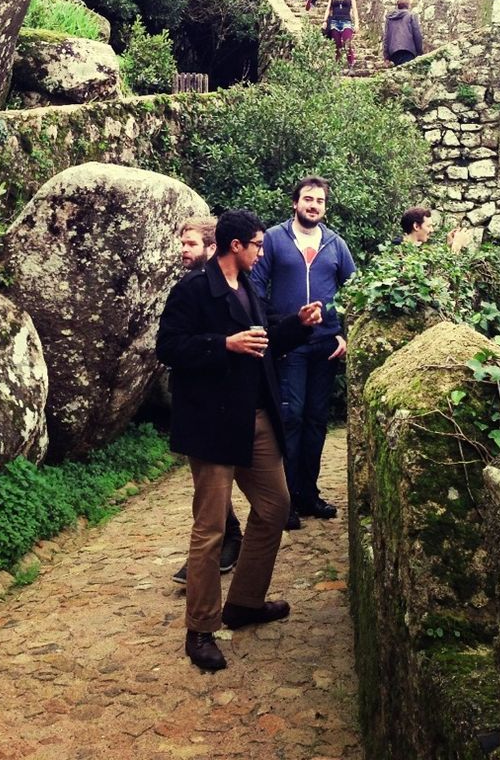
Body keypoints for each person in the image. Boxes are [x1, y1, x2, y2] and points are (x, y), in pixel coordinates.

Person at [157, 209, 322, 672]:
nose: (262, 251)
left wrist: (298, 323)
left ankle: (245, 602)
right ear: (235, 246)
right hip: (212, 425)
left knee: (273, 507)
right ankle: (201, 628)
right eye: (257, 244)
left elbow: (264, 335)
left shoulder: (249, 286)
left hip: (256, 419)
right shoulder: (193, 289)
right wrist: (223, 344)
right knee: (210, 530)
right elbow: (168, 347)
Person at [251, 177, 356, 530]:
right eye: (308, 199)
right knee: (291, 417)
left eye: (320, 201)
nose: (313, 205)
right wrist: (282, 328)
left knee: (315, 420)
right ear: (295, 203)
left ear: (325, 207)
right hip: (291, 345)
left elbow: (355, 293)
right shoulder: (275, 239)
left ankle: (308, 495)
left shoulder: (336, 244)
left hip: (326, 345)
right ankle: (285, 500)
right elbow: (254, 290)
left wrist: (344, 335)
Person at [171, 218, 243, 585]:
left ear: (214, 248)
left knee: (212, 488)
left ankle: (226, 542)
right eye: (183, 243)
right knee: (206, 485)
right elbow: (171, 344)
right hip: (196, 403)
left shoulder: (233, 287)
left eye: (191, 244)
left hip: (224, 404)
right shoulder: (190, 287)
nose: (184, 250)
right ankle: (221, 544)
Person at [321, 0, 359, 68]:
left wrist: (357, 24)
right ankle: (337, 65)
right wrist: (325, 21)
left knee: (347, 43)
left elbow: (354, 10)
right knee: (337, 45)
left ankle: (351, 65)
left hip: (346, 22)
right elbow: (328, 8)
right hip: (334, 22)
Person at [394, 206, 473, 252]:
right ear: (416, 226)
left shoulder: (418, 249)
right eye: (428, 226)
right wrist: (456, 246)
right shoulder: (397, 249)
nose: (432, 230)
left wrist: (449, 245)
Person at [383, 0, 423, 66]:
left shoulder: (390, 18)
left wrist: (386, 56)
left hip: (394, 53)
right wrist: (419, 51)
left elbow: (386, 37)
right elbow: (417, 34)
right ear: (408, 5)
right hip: (408, 51)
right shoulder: (411, 16)